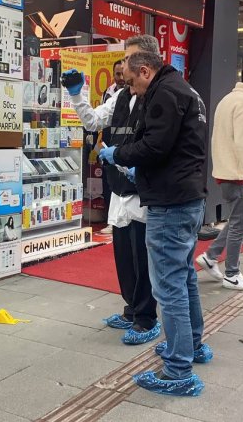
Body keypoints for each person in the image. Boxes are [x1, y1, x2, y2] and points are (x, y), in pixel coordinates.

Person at [98, 43, 210, 396]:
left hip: (170, 201)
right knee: (185, 276)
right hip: (186, 195)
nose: (130, 89)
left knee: (169, 285)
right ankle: (191, 346)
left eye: (131, 82)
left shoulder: (164, 93)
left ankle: (178, 369)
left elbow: (155, 146)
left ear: (145, 71)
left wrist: (121, 155)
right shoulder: (183, 89)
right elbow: (173, 147)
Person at [63, 37, 160, 346]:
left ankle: (147, 319)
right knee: (124, 257)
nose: (123, 67)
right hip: (118, 190)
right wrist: (76, 96)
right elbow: (92, 121)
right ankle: (131, 310)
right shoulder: (119, 97)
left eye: (129, 59)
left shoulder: (158, 97)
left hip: (144, 192)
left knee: (143, 259)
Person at [196, 61, 243, 292]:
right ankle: (232, 273)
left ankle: (211, 257)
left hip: (225, 171)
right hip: (236, 173)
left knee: (236, 220)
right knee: (240, 223)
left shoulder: (227, 99)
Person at [99, 59, 127, 235]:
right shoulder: (107, 93)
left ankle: (121, 220)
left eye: (123, 73)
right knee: (109, 183)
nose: (121, 77)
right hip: (108, 142)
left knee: (123, 181)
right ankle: (111, 220)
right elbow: (99, 119)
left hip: (124, 145)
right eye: (117, 74)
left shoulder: (134, 93)